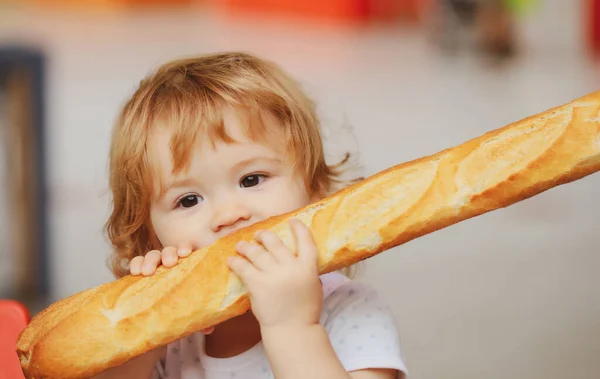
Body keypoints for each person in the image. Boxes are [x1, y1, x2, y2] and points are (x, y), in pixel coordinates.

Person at [96, 51, 407, 379]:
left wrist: (291, 326)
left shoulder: (351, 312)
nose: (228, 215)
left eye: (251, 179)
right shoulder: (170, 340)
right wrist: (138, 340)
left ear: (316, 191)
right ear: (149, 234)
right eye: (188, 200)